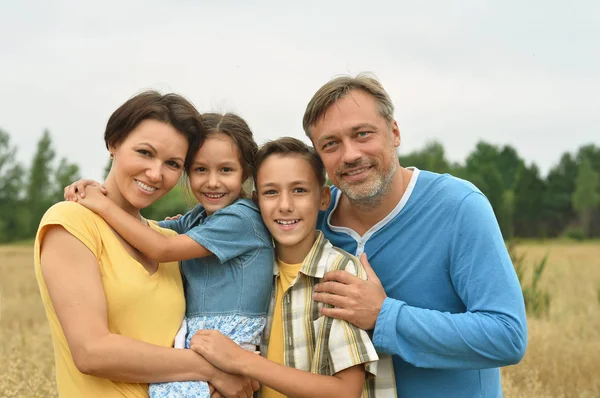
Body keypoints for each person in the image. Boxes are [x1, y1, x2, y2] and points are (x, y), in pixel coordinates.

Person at [302, 74, 528, 397]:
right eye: (331, 144)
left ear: (394, 133)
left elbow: (508, 335)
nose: (350, 154)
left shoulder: (459, 208)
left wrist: (384, 317)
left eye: (362, 134)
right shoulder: (311, 221)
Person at [36, 92, 257, 398]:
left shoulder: (168, 240)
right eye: (144, 152)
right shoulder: (71, 221)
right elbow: (91, 351)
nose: (155, 174)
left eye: (172, 163)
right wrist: (214, 368)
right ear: (114, 143)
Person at [190, 137, 396, 398]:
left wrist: (240, 360)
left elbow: (345, 391)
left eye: (299, 190)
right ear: (256, 202)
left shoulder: (339, 273)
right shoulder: (254, 273)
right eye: (271, 192)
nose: (285, 205)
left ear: (323, 198)